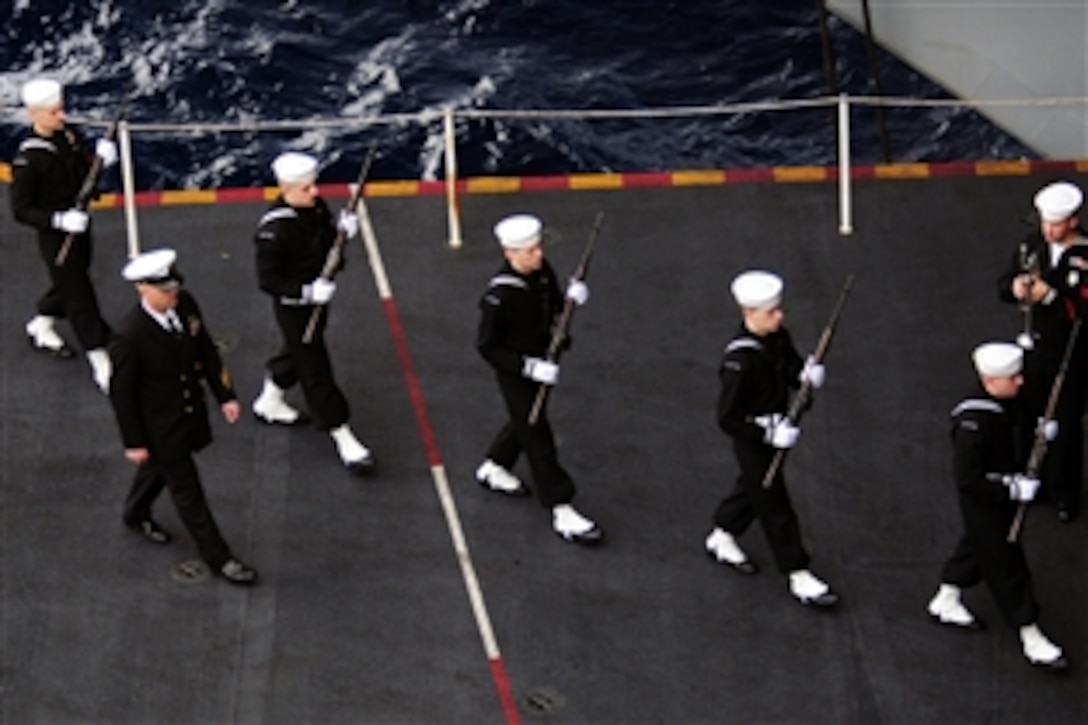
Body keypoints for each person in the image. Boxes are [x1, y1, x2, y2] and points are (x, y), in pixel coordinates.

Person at [108, 248, 257, 586]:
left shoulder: (185, 305)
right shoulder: (130, 337)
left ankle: (135, 512)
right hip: (161, 426)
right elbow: (122, 395)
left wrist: (225, 395)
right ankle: (221, 559)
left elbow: (205, 350)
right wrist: (134, 442)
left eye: (174, 288)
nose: (173, 295)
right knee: (188, 492)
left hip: (188, 416)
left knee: (159, 470)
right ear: (142, 289)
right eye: (164, 291)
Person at [926, 342, 1067, 671]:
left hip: (1001, 494)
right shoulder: (971, 425)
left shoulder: (1008, 400)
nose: (1020, 382)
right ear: (990, 381)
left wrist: (1039, 431)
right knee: (1007, 564)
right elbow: (969, 480)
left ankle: (947, 596)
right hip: (984, 501)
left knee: (977, 546)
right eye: (1012, 378)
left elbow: (1020, 422)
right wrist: (1012, 488)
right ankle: (1029, 631)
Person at [705, 270, 837, 608]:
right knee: (774, 502)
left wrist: (805, 374)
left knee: (754, 486)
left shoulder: (776, 336)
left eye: (779, 309)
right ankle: (797, 571)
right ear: (748, 313)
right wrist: (766, 432)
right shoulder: (738, 362)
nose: (780, 315)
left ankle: (723, 532)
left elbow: (789, 366)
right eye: (771, 312)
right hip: (755, 438)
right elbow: (728, 418)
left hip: (780, 427)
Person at [475, 213, 602, 545]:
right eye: (529, 251)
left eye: (538, 247)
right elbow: (487, 347)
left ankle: (495, 465)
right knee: (537, 434)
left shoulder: (541, 272)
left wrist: (571, 300)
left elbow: (552, 305)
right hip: (517, 370)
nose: (539, 254)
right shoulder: (499, 297)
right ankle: (561, 507)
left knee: (527, 418)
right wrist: (526, 367)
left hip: (544, 356)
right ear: (510, 254)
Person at [251, 151, 375, 474]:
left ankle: (270, 400)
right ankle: (342, 434)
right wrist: (305, 291)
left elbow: (321, 239)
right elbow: (268, 281)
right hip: (295, 307)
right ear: (286, 189)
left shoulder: (313, 208)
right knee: (315, 369)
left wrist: (342, 231)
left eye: (313, 185)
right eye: (306, 188)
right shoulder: (274, 232)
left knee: (297, 351)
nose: (315, 192)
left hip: (319, 296)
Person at [9, 77, 116, 392]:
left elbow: (82, 176)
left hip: (79, 222)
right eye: (54, 112)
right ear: (34, 114)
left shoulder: (69, 136)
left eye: (61, 109)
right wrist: (58, 220)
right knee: (79, 294)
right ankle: (100, 356)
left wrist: (102, 162)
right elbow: (21, 210)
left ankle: (42, 322)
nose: (62, 116)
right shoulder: (29, 161)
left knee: (70, 279)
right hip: (57, 233)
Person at [997, 180, 1088, 522]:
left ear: (1073, 222)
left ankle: (1064, 492)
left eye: (1056, 223)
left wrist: (1050, 297)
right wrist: (1014, 286)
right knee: (1027, 415)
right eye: (1045, 222)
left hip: (1070, 352)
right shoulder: (1031, 246)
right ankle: (1028, 474)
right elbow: (1003, 282)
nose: (1048, 230)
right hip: (1033, 346)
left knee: (1064, 423)